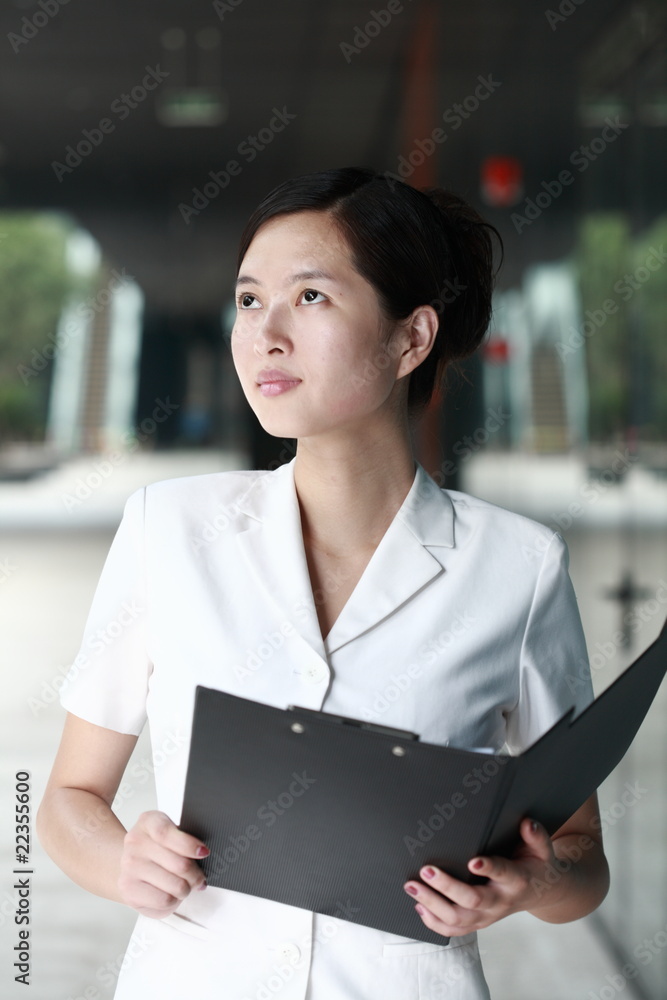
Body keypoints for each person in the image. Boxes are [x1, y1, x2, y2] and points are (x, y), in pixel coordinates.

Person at [37, 166, 610, 1000]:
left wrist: (528, 885)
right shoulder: (170, 529)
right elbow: (65, 801)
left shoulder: (516, 567)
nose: (264, 332)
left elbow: (583, 858)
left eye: (309, 298)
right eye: (246, 300)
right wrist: (121, 857)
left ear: (411, 339)